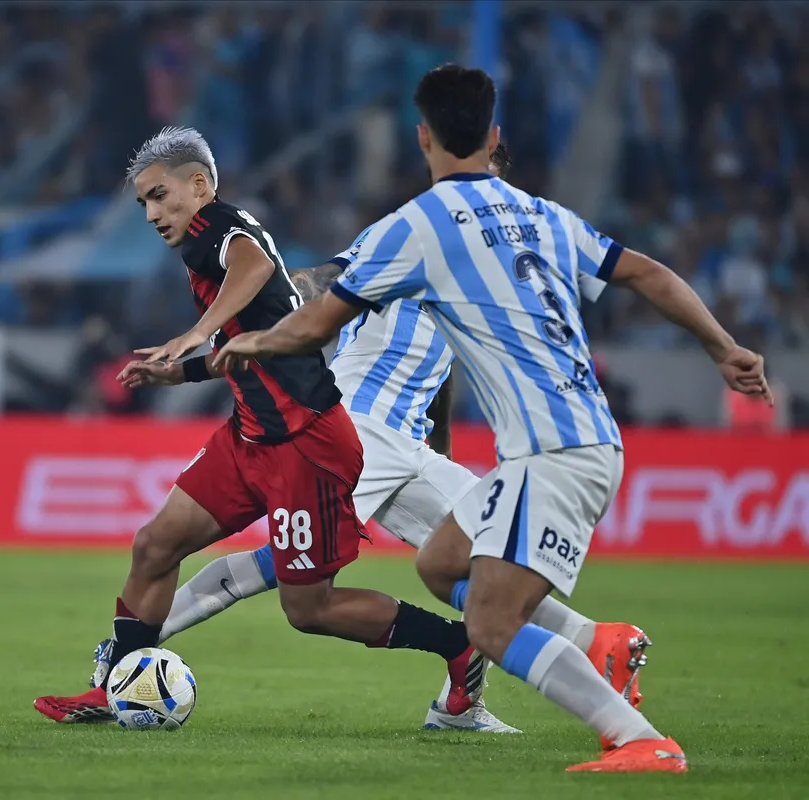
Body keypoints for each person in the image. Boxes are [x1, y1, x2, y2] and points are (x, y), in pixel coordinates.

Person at [214, 65, 770, 773]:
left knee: (490, 622)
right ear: (493, 134)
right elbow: (649, 273)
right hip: (578, 439)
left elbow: (317, 319)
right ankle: (599, 647)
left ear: (423, 138)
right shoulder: (542, 215)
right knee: (440, 561)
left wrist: (252, 341)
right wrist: (723, 348)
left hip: (554, 451)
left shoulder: (419, 224)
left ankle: (638, 738)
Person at [77, 142, 655, 735]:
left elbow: (442, 367)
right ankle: (122, 658)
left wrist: (439, 448)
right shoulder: (406, 237)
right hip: (357, 426)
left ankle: (506, 680)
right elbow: (317, 279)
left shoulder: (487, 271)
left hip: (409, 449)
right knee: (281, 577)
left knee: (494, 555)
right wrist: (272, 307)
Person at [35, 126, 483, 724]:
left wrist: (197, 331)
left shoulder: (220, 229)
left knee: (309, 609)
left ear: (199, 185)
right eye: (143, 202)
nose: (151, 213)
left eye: (159, 196)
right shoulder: (203, 245)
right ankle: (118, 682)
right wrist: (180, 373)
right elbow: (248, 346)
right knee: (155, 544)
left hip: (307, 445)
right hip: (249, 437)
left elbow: (252, 264)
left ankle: (458, 645)